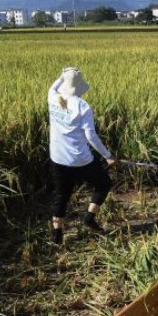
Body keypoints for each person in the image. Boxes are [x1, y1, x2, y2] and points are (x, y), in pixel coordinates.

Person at [48, 67, 116, 244]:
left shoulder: (52, 96)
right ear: (78, 87)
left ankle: (57, 235)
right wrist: (108, 155)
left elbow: (54, 86)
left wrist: (62, 76)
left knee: (61, 195)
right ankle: (89, 218)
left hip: (58, 157)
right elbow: (90, 136)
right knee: (103, 183)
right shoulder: (82, 106)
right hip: (80, 159)